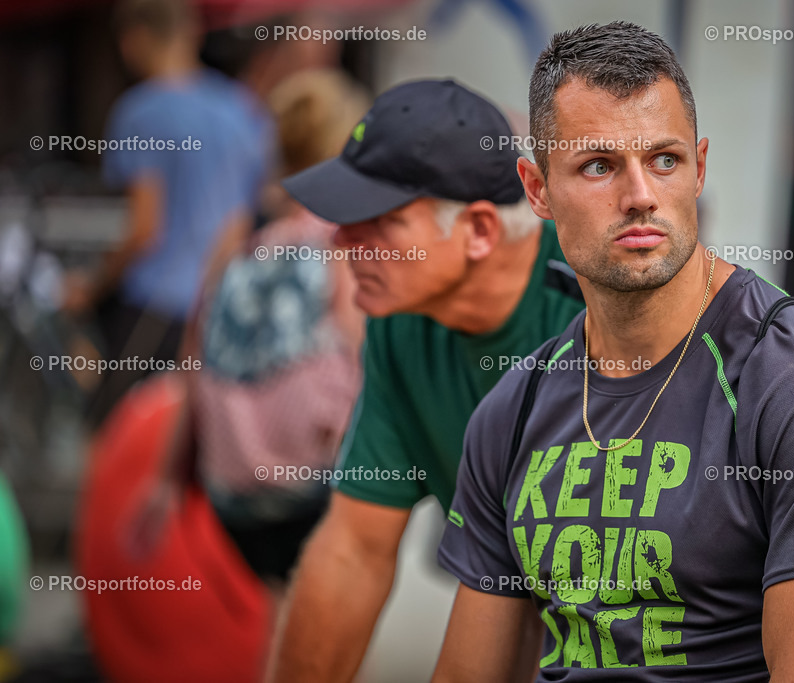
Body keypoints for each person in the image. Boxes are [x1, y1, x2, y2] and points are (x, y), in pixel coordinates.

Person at [432, 22, 794, 681]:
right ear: (537, 189)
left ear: (699, 168)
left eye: (664, 160)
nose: (640, 197)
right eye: (598, 166)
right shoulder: (516, 406)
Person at [264, 79, 586, 682]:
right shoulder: (400, 322)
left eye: (380, 221)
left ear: (480, 231)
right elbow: (353, 550)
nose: (341, 238)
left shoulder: (595, 314)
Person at [127, 68, 370, 589]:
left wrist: (166, 479)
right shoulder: (340, 239)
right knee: (318, 614)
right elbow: (358, 348)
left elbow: (193, 363)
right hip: (313, 481)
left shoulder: (237, 237)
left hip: (232, 488)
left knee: (278, 610)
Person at [64, 0, 273, 429]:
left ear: (133, 40)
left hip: (156, 305)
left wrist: (91, 287)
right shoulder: (241, 108)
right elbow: (246, 218)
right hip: (219, 307)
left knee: (115, 433)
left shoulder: (140, 112)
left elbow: (145, 229)